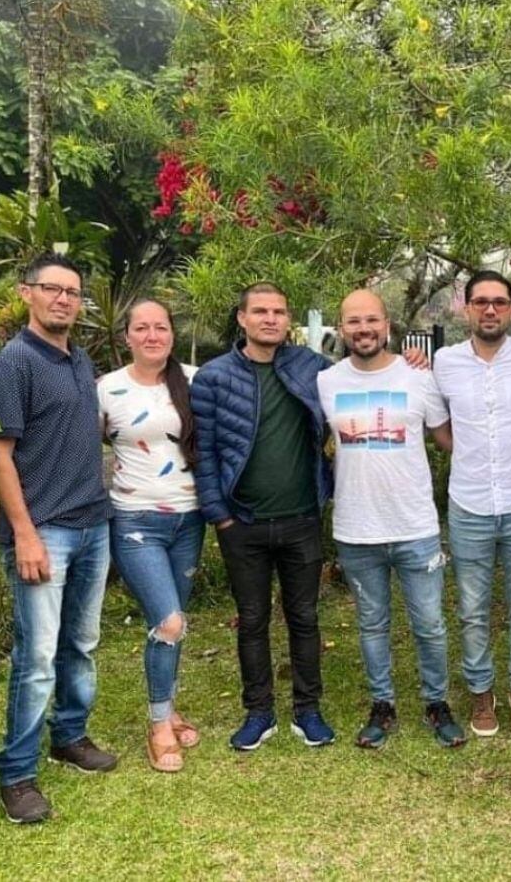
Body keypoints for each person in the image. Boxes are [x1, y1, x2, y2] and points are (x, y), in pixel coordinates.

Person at [0, 253, 117, 824]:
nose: (64, 299)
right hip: (45, 532)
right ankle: (17, 773)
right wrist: (25, 534)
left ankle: (69, 736)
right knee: (36, 656)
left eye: (73, 292)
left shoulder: (79, 358)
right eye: (52, 289)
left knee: (80, 643)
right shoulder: (14, 362)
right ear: (26, 293)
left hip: (93, 524)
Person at [190, 283, 337, 751]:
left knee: (305, 617)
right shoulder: (213, 377)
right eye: (260, 312)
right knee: (251, 619)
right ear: (242, 318)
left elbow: (362, 378)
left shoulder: (312, 368)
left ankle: (308, 711)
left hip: (301, 518)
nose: (270, 319)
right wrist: (219, 515)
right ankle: (258, 712)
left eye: (278, 311)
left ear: (288, 319)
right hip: (243, 523)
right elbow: (204, 451)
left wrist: (409, 361)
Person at [318, 289, 466, 749]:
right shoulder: (327, 382)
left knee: (430, 624)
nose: (363, 329)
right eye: (353, 322)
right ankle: (382, 704)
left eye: (371, 321)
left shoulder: (420, 377)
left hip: (416, 527)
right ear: (341, 329)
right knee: (371, 624)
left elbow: (450, 440)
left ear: (387, 325)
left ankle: (436, 702)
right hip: (356, 528)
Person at [433, 270, 511, 738]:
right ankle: (482, 692)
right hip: (470, 503)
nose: (490, 310)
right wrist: (465, 451)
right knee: (472, 608)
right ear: (466, 309)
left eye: (499, 302)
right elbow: (437, 425)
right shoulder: (444, 362)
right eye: (480, 301)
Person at [99, 300, 205, 772]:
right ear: (127, 336)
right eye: (141, 328)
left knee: (175, 620)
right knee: (168, 623)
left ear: (171, 334)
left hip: (189, 520)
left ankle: (169, 707)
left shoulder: (195, 379)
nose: (151, 335)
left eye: (159, 327)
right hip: (136, 521)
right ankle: (159, 725)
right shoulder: (106, 389)